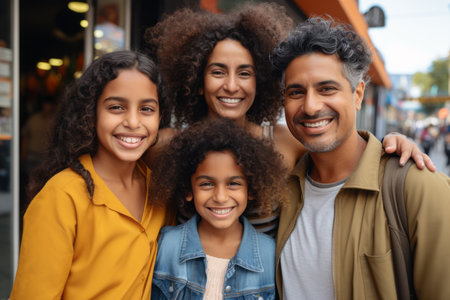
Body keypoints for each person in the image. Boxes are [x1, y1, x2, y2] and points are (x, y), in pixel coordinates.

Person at [143, 4, 435, 237]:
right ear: (196, 79)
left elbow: (341, 143)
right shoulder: (167, 146)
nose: (231, 85)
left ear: (261, 83)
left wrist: (392, 143)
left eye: (245, 73)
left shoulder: (285, 142)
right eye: (218, 72)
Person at [270, 16, 450, 299]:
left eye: (326, 88)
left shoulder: (419, 188)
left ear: (357, 94)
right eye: (296, 92)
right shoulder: (282, 187)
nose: (311, 106)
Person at [10, 51, 173, 299]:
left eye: (146, 109)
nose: (132, 121)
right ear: (91, 114)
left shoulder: (160, 189)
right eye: (116, 107)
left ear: (160, 117)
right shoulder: (62, 196)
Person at [149, 118, 287, 299]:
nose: (220, 197)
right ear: (188, 190)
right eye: (207, 184)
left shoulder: (270, 254)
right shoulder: (166, 244)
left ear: (251, 189)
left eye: (233, 184)